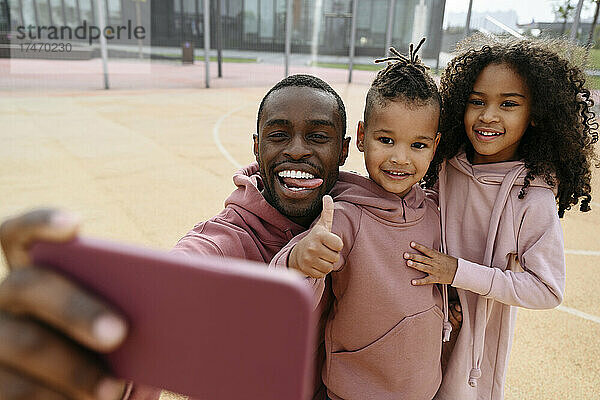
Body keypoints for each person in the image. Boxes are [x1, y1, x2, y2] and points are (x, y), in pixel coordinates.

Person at [0, 74, 351, 400]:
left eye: (318, 136)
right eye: (278, 135)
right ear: (257, 148)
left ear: (345, 151)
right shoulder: (223, 240)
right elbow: (166, 300)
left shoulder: (363, 211)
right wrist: (97, 358)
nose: (297, 150)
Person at [402, 36, 598, 400]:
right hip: (426, 320)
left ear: (536, 114)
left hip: (474, 357)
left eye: (508, 104)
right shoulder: (446, 165)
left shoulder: (532, 196)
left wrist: (459, 273)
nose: (488, 115)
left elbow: (547, 290)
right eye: (477, 101)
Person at [270, 42, 448, 400]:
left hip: (424, 389)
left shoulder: (433, 210)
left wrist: (447, 310)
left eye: (418, 145)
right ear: (363, 137)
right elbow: (286, 287)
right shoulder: (344, 215)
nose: (400, 158)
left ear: (435, 145)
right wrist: (298, 259)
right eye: (386, 140)